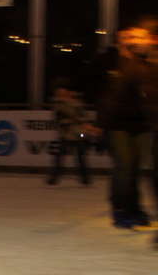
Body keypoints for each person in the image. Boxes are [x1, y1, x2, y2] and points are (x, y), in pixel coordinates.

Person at [95, 20, 158, 228]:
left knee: (135, 167)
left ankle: (134, 208)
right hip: (117, 123)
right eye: (132, 37)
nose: (134, 41)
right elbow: (112, 96)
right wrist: (101, 123)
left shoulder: (149, 64)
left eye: (139, 37)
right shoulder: (122, 63)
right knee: (124, 165)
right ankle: (121, 209)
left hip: (142, 125)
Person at [46, 78, 89, 186]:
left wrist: (79, 122)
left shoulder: (77, 101)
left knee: (80, 156)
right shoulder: (58, 103)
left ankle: (85, 178)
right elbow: (58, 119)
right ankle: (54, 178)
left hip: (77, 132)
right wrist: (68, 119)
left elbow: (83, 116)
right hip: (66, 133)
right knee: (60, 156)